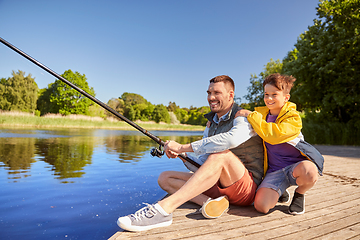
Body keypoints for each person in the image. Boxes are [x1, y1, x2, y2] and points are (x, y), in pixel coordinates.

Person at [117, 75, 265, 232]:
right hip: (218, 185)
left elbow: (231, 140)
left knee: (221, 155)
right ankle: (211, 203)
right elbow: (203, 161)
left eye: (216, 93)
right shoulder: (212, 122)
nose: (211, 97)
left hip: (245, 189)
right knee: (165, 178)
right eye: (209, 92)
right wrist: (183, 156)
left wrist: (182, 147)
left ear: (230, 95)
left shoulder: (243, 116)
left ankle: (163, 210)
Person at [244, 73, 324, 215]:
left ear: (286, 98)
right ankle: (281, 190)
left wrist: (252, 116)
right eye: (266, 94)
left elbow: (274, 135)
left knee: (311, 172)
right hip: (274, 171)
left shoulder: (293, 118)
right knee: (261, 207)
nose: (268, 98)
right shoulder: (261, 116)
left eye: (274, 94)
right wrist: (213, 120)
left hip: (297, 167)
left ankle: (299, 193)